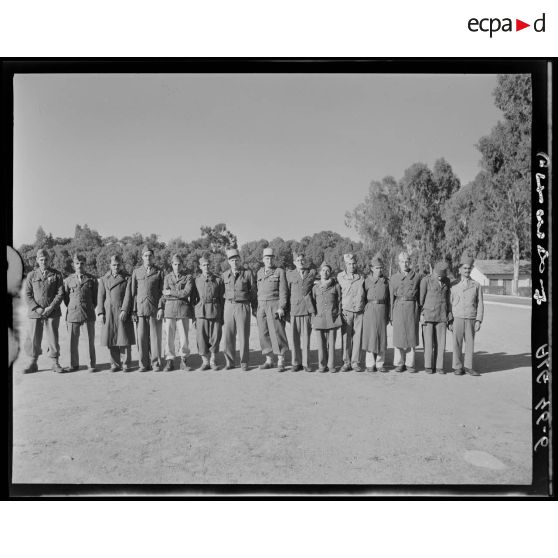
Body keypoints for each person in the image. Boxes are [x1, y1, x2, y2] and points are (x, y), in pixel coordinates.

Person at [22, 248, 65, 373]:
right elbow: (28, 295)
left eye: (46, 259)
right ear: (37, 260)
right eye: (41, 259)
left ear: (49, 260)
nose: (44, 261)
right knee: (34, 338)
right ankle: (33, 363)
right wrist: (38, 309)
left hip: (53, 312)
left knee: (53, 337)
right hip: (36, 312)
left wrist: (51, 307)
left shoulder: (57, 275)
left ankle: (55, 362)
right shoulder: (32, 275)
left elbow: (60, 293)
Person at [96, 254, 135, 372]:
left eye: (118, 265)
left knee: (124, 338)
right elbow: (100, 297)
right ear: (110, 265)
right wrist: (101, 313)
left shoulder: (128, 278)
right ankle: (115, 364)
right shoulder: (104, 279)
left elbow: (129, 296)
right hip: (109, 312)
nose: (116, 267)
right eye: (114, 265)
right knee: (111, 338)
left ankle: (126, 364)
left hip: (122, 311)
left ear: (121, 264)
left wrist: (125, 310)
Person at [129, 245, 164, 372]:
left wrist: (161, 308)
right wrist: (133, 310)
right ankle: (143, 364)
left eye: (150, 255)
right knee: (142, 338)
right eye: (145, 255)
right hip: (140, 310)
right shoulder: (136, 272)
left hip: (154, 309)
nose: (148, 257)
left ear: (153, 257)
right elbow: (133, 293)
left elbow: (162, 293)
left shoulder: (159, 272)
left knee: (154, 339)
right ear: (142, 257)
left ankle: (155, 364)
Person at [221, 248, 256, 371]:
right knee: (228, 335)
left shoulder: (247, 273)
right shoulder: (225, 275)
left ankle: (244, 361)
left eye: (236, 259)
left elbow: (253, 292)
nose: (234, 262)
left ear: (239, 260)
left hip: (243, 305)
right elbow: (221, 293)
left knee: (243, 334)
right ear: (228, 261)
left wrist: (254, 307)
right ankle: (229, 362)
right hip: (229, 305)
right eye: (232, 260)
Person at [159, 253, 195, 371]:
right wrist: (161, 306)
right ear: (172, 264)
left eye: (179, 264)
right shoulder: (167, 277)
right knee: (169, 336)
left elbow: (186, 293)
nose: (177, 266)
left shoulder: (188, 277)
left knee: (184, 337)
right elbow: (164, 293)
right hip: (169, 310)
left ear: (182, 265)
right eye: (175, 264)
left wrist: (171, 293)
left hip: (183, 310)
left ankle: (184, 360)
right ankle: (169, 361)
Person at [63, 254, 98, 372]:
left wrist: (88, 306)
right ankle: (73, 365)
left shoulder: (92, 279)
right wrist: (74, 306)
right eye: (77, 263)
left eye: (82, 263)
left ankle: (91, 364)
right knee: (72, 341)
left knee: (89, 341)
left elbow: (95, 298)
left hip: (88, 313)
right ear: (73, 265)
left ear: (85, 264)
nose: (79, 266)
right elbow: (66, 299)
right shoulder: (68, 280)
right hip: (73, 313)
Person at [450, 254, 484, 376]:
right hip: (457, 318)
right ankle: (458, 367)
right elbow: (449, 305)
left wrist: (479, 320)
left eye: (469, 268)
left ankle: (469, 366)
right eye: (464, 268)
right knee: (457, 343)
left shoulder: (476, 285)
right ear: (459, 270)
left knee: (470, 343)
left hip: (471, 317)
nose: (467, 271)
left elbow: (480, 303)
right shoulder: (453, 285)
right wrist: (450, 321)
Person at [256, 247, 289, 371]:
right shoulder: (259, 272)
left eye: (271, 258)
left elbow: (283, 291)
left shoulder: (279, 271)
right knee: (263, 334)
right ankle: (269, 360)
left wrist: (282, 307)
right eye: (267, 258)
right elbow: (257, 290)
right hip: (261, 307)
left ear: (274, 259)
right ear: (263, 260)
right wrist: (257, 308)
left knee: (277, 333)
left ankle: (281, 360)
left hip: (274, 305)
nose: (269, 261)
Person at [390, 251, 422, 373]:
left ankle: (410, 363)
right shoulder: (393, 278)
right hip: (398, 308)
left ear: (410, 262)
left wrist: (420, 312)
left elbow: (420, 296)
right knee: (398, 336)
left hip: (412, 308)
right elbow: (391, 298)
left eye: (407, 261)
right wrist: (391, 315)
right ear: (398, 263)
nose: (405, 264)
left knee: (411, 335)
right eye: (402, 261)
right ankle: (399, 363)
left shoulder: (417, 277)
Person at [419, 261, 452, 374]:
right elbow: (421, 300)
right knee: (428, 342)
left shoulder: (447, 281)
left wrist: (449, 314)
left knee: (441, 342)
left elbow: (448, 299)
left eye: (441, 274)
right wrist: (421, 314)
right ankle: (428, 365)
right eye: (437, 273)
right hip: (428, 315)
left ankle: (439, 366)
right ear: (434, 270)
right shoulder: (426, 280)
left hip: (442, 315)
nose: (439, 276)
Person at [286, 251, 316, 372]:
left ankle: (306, 363)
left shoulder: (312, 273)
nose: (301, 262)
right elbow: (286, 292)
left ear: (306, 261)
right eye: (298, 260)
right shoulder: (290, 274)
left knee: (306, 339)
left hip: (307, 310)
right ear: (294, 262)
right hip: (294, 310)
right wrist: (286, 310)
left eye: (302, 260)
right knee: (294, 339)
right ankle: (295, 362)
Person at [194, 254, 225, 370]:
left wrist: (222, 316)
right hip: (201, 312)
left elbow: (222, 298)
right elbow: (193, 299)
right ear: (200, 266)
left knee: (215, 336)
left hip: (215, 310)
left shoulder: (218, 280)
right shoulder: (196, 280)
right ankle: (205, 361)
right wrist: (194, 318)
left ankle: (213, 361)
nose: (206, 267)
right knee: (201, 337)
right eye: (204, 265)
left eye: (207, 265)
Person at [310, 262, 342, 373]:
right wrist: (313, 317)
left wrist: (338, 314)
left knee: (331, 344)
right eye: (323, 270)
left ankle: (331, 365)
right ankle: (322, 365)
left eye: (327, 270)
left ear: (330, 273)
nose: (325, 272)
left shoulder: (336, 286)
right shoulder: (315, 288)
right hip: (319, 318)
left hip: (332, 318)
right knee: (321, 344)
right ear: (320, 272)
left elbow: (339, 301)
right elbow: (313, 303)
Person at [337, 253, 365, 372]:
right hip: (346, 312)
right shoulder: (340, 277)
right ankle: (346, 362)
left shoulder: (362, 277)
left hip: (359, 311)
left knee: (358, 338)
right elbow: (337, 295)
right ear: (345, 264)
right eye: (349, 264)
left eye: (353, 263)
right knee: (345, 337)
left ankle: (355, 362)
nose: (352, 266)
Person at [362, 256, 390, 373]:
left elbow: (389, 299)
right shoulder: (366, 280)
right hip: (369, 309)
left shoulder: (386, 281)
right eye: (377, 268)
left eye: (381, 268)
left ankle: (380, 363)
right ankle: (370, 364)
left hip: (382, 309)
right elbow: (362, 297)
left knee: (381, 336)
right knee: (370, 336)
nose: (379, 270)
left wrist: (388, 314)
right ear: (372, 268)